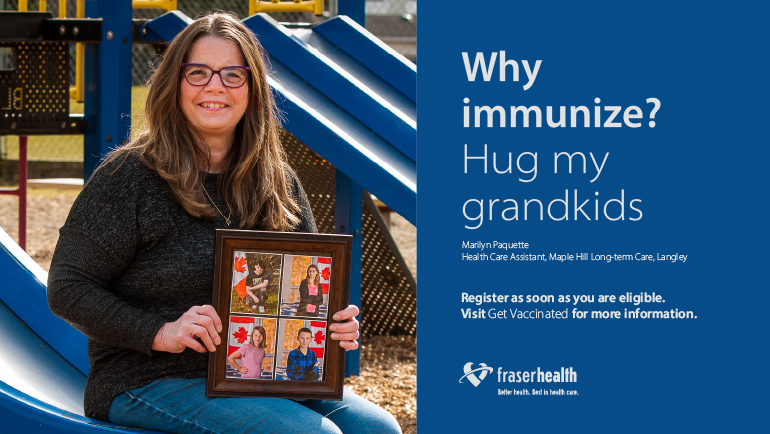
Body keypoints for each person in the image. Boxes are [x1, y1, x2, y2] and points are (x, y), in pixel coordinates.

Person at [47, 12, 400, 434]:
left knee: (377, 428)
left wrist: (330, 323)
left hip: (262, 377)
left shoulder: (276, 181)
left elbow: (311, 286)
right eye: (198, 72)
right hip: (150, 378)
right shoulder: (130, 176)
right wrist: (161, 332)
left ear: (252, 89)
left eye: (233, 75)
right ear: (174, 84)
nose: (214, 86)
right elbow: (67, 287)